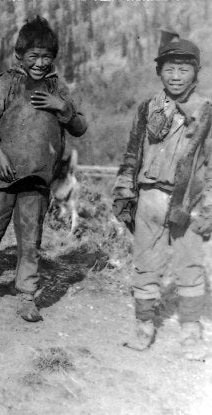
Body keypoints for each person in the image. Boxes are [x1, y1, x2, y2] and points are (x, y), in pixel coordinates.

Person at [0, 16, 87, 321]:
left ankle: (27, 295)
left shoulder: (59, 88)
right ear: (19, 56)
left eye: (47, 57)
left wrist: (61, 107)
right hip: (0, 175)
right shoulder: (7, 82)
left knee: (30, 241)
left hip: (37, 180)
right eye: (33, 56)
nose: (41, 63)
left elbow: (80, 126)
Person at [113, 32, 212, 354]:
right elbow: (132, 154)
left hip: (188, 202)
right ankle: (143, 328)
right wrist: (124, 192)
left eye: (184, 69)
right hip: (149, 199)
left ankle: (191, 332)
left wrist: (208, 208)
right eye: (169, 68)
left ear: (196, 72)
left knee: (190, 266)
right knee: (146, 265)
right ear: (159, 72)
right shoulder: (148, 109)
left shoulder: (207, 112)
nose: (176, 76)